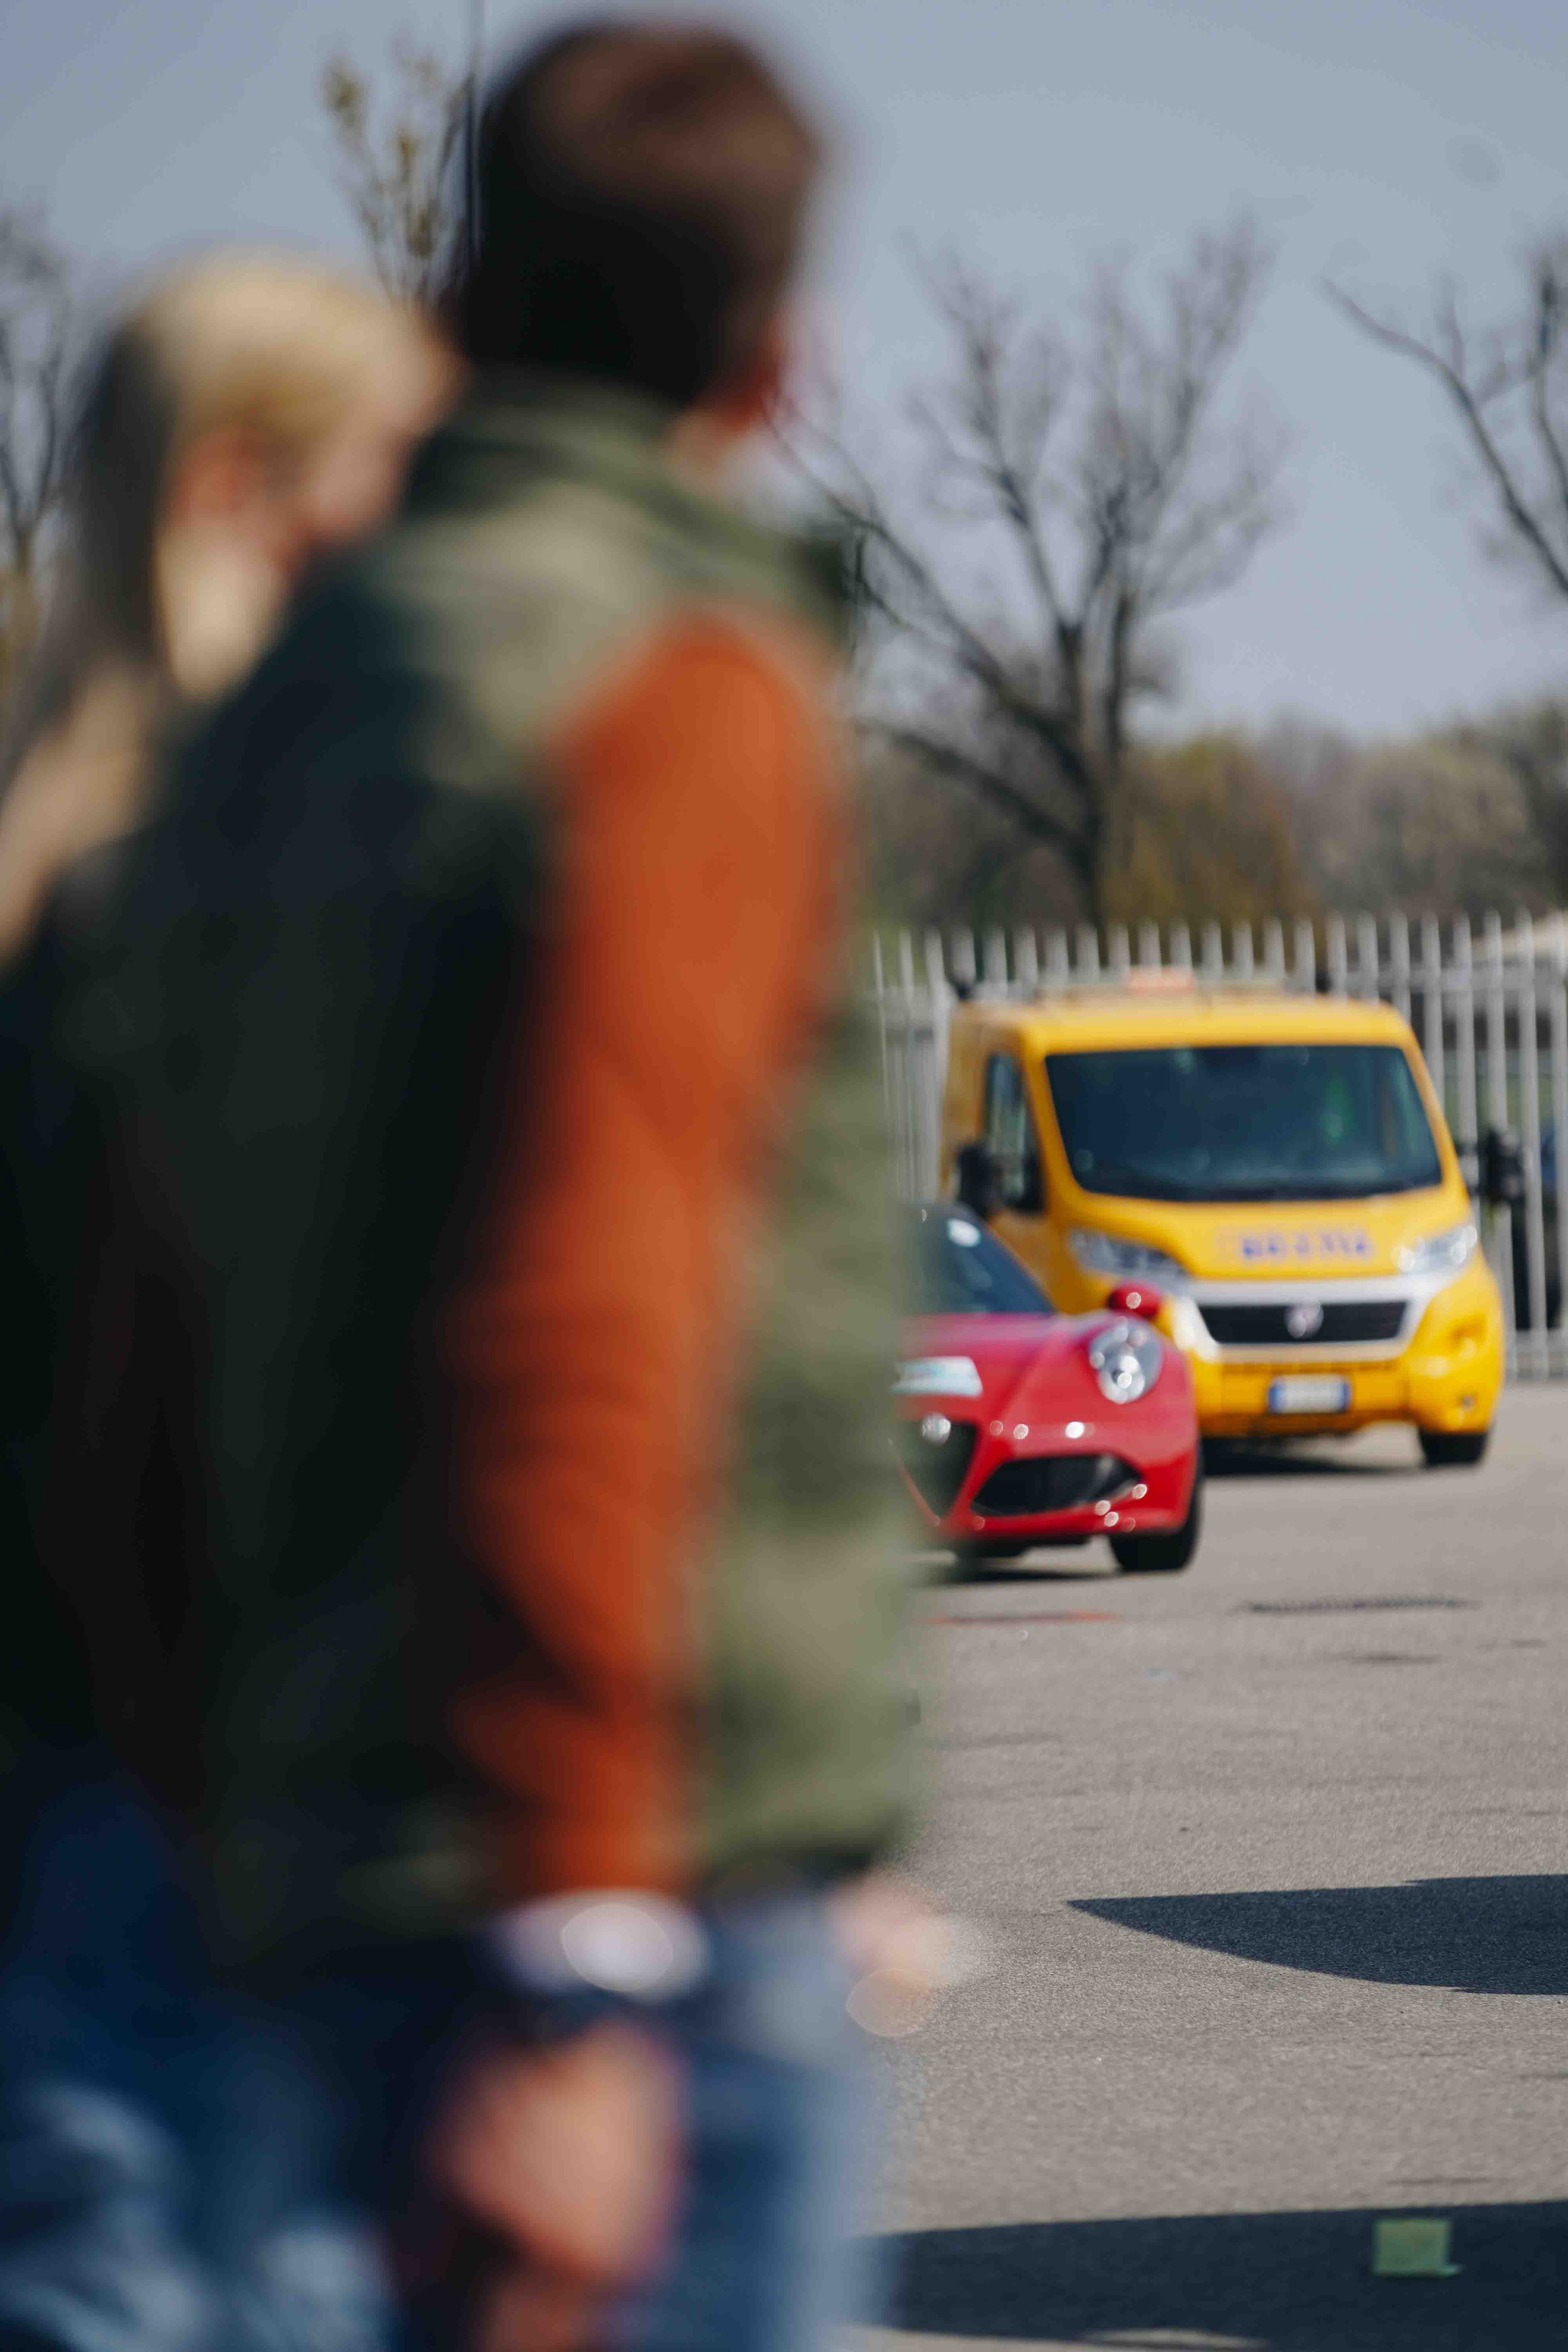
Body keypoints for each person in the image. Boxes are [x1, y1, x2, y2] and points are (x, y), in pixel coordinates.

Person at [46, 21, 919, 2351]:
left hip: (321, 1861)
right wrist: (581, 1962)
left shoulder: (279, 704)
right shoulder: (680, 678)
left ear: (461, 297)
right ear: (775, 362)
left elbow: (147, 1345)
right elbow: (589, 1303)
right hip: (621, 1897)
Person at [0, 252, 450, 2352]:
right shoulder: (211, 908)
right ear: (235, 492)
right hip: (221, 1861)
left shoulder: (61, 870)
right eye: (391, 481)